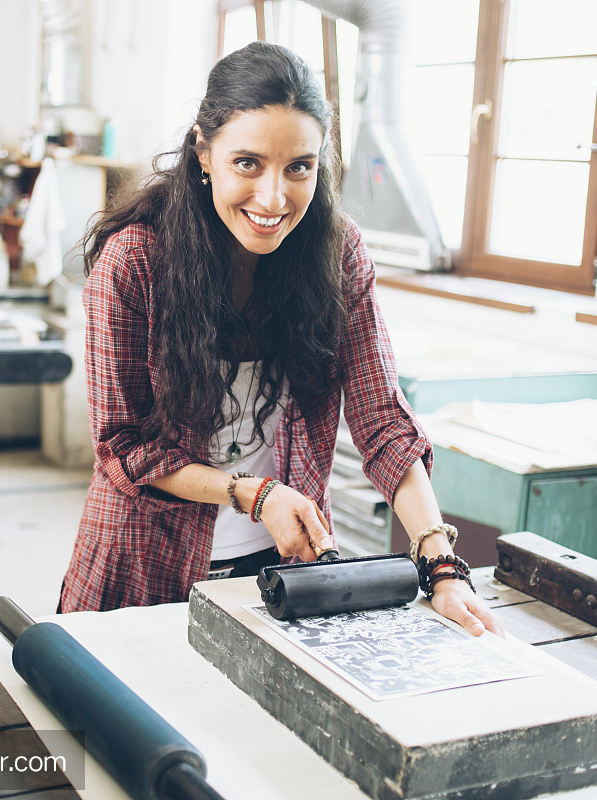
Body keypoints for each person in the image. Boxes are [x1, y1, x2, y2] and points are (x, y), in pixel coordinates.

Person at [60, 42, 502, 638]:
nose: (273, 198)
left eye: (299, 167)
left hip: (286, 570)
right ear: (204, 152)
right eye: (248, 163)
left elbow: (384, 423)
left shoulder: (336, 254)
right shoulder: (135, 261)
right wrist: (255, 493)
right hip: (142, 567)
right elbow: (125, 447)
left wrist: (441, 564)